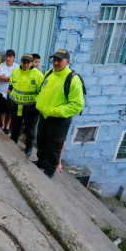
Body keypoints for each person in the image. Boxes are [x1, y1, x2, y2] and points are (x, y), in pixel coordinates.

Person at [35, 49, 84, 178]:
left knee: (54, 145)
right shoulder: (50, 73)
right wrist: (39, 102)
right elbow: (43, 90)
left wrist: (56, 111)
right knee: (42, 140)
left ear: (68, 61)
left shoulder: (73, 79)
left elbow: (77, 105)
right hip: (45, 115)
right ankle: (41, 162)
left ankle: (50, 170)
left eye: (59, 60)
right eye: (54, 60)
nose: (55, 63)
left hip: (59, 119)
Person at [8, 54, 43, 156]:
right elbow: (12, 86)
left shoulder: (38, 75)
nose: (26, 64)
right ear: (21, 62)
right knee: (14, 127)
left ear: (32, 63)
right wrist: (10, 101)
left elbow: (42, 93)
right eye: (24, 62)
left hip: (31, 108)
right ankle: (13, 142)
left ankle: (29, 147)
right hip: (17, 107)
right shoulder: (15, 72)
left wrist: (38, 107)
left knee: (30, 130)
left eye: (28, 62)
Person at [0, 49, 18, 134]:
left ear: (14, 58)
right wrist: (11, 78)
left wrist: (5, 78)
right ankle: (2, 124)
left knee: (10, 111)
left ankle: (8, 125)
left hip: (12, 92)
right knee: (2, 109)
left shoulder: (16, 66)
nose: (8, 58)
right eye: (6, 56)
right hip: (1, 91)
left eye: (10, 57)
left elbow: (17, 78)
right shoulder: (2, 65)